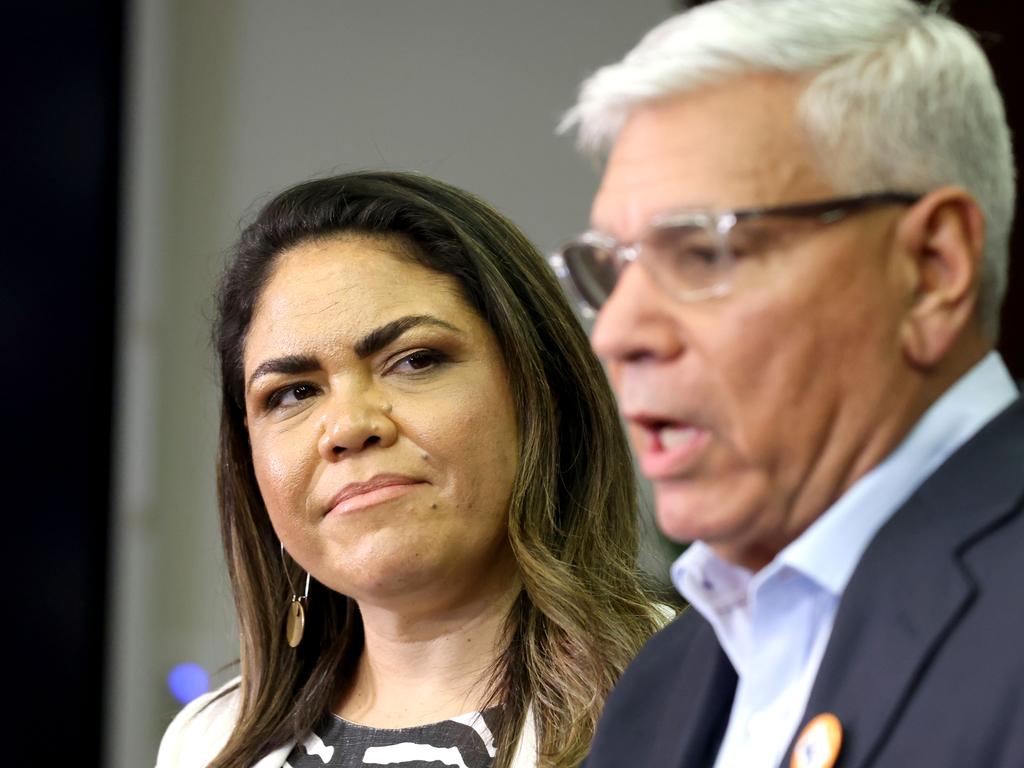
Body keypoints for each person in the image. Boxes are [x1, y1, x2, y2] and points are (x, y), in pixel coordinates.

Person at [554, 0, 1022, 766]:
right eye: (611, 268)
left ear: (933, 270)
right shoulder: (655, 691)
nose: (616, 334)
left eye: (702, 252)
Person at [156, 171, 665, 768]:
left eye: (414, 360)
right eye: (293, 393)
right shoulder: (207, 742)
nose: (347, 427)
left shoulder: (702, 684)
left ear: (539, 391)